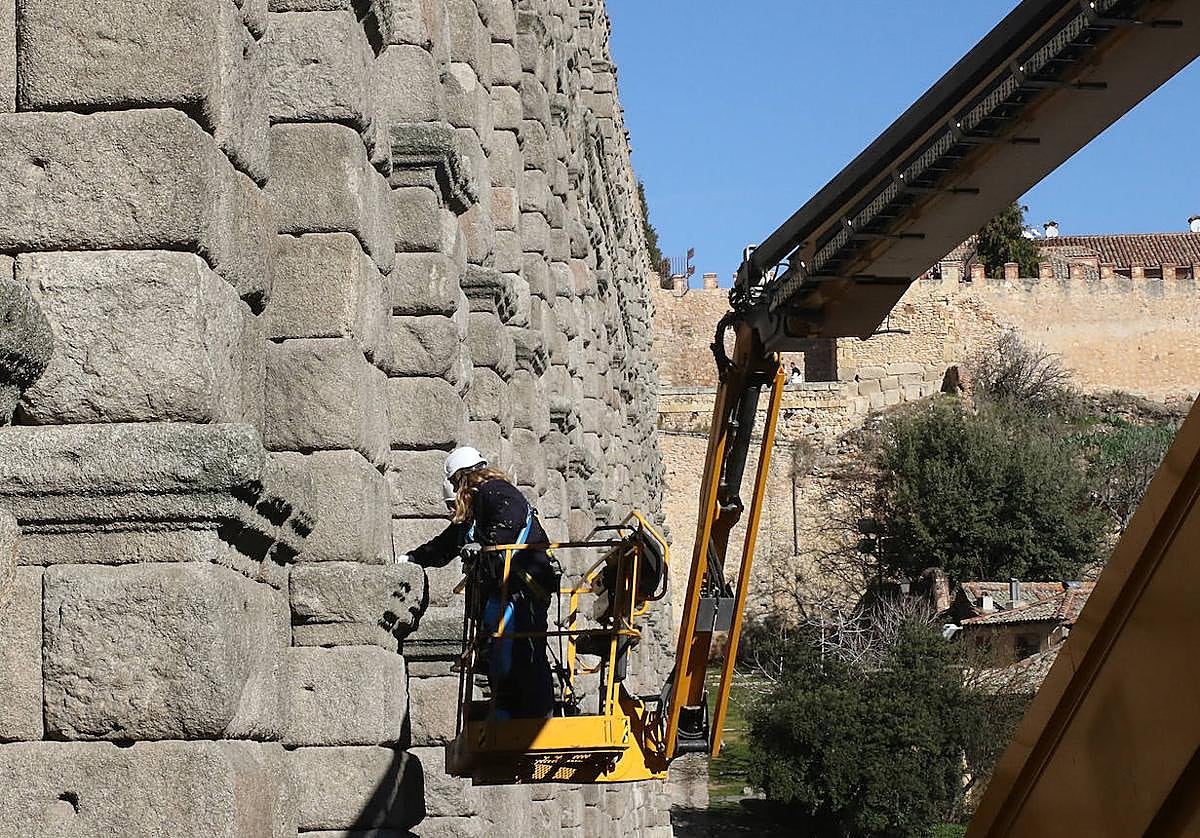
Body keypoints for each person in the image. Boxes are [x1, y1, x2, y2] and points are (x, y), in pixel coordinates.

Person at [401, 446, 556, 721]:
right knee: (503, 653)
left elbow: (509, 523)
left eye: (453, 484)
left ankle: (525, 717)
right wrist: (413, 558)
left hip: (521, 589)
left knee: (517, 653)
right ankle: (510, 711)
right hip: (508, 590)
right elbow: (445, 545)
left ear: (461, 479)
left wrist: (485, 545)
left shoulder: (496, 492)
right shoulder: (477, 510)